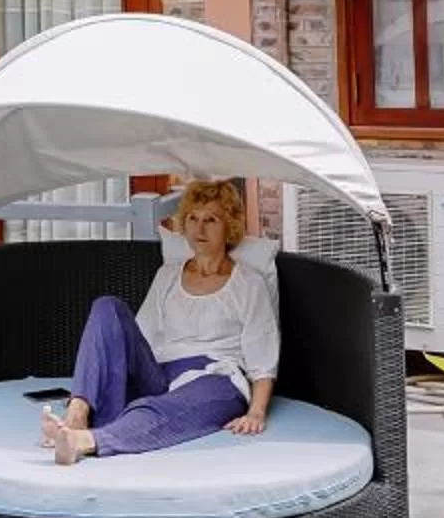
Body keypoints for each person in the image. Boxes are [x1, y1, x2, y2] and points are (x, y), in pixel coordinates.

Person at [42, 178, 278, 464]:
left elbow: (262, 358)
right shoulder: (167, 276)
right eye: (192, 218)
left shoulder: (249, 284)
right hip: (161, 372)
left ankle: (86, 441)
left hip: (217, 377)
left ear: (229, 226)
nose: (199, 228)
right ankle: (77, 414)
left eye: (211, 220)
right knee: (107, 307)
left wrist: (256, 412)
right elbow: (140, 335)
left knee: (162, 408)